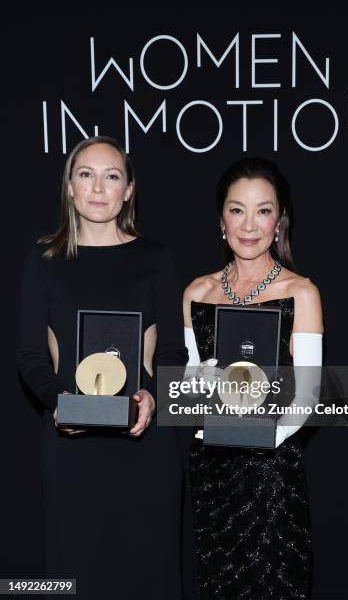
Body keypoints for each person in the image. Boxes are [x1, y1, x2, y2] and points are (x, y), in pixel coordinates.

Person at [17, 136, 192, 600]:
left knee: (148, 576)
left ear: (129, 190)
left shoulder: (156, 259)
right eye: (86, 174)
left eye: (112, 176)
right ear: (70, 187)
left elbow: (173, 350)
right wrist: (58, 405)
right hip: (71, 448)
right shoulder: (44, 259)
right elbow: (30, 356)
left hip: (144, 445)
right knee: (76, 576)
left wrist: (153, 394)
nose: (98, 187)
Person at [183, 157, 323, 600]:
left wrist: (267, 437)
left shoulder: (300, 292)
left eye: (263, 210)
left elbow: (310, 394)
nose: (249, 224)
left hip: (272, 475)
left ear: (279, 221)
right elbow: (188, 386)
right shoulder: (197, 292)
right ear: (221, 218)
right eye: (236, 209)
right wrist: (195, 383)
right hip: (212, 472)